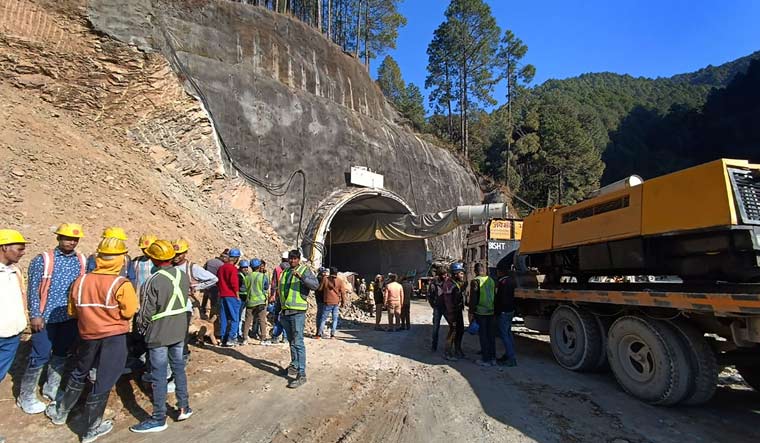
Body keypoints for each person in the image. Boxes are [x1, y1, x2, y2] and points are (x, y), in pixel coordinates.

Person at [46, 237, 138, 442]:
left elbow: (72, 311)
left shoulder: (81, 281)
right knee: (104, 380)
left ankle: (61, 413)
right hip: (113, 338)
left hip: (87, 335)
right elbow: (130, 311)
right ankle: (91, 429)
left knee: (79, 372)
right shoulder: (121, 284)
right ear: (119, 260)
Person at [17, 223, 86, 414]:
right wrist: (35, 315)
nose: (71, 242)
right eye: (67, 238)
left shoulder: (80, 260)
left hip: (69, 317)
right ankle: (26, 395)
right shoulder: (43, 260)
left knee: (61, 352)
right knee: (40, 354)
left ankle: (51, 387)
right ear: (58, 238)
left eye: (74, 239)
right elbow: (32, 289)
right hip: (45, 317)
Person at [130, 240, 192, 433]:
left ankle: (158, 417)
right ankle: (184, 407)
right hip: (179, 329)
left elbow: (146, 312)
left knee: (158, 374)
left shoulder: (153, 280)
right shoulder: (181, 275)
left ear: (154, 258)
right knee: (178, 368)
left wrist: (139, 331)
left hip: (159, 333)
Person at [0, 230, 27, 443]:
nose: (22, 252)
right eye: (19, 248)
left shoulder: (15, 271)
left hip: (11, 335)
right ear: (4, 248)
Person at [278, 250, 318, 388]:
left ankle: (302, 373)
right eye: (291, 259)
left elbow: (315, 285)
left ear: (299, 259)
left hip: (298, 312)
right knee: (291, 341)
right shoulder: (285, 272)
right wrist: (279, 311)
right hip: (286, 312)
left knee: (298, 342)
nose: (292, 261)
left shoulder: (304, 270)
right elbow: (281, 292)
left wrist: (302, 277)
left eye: (295, 259)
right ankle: (294, 365)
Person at [469, 262, 497, 367]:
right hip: (491, 311)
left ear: (475, 271)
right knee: (491, 336)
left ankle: (486, 359)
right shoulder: (490, 280)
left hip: (480, 312)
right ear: (483, 270)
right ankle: (493, 358)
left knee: (483, 336)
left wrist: (471, 313)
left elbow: (473, 299)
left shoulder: (475, 281)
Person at [216, 248, 241, 347]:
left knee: (224, 317)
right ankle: (231, 338)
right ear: (235, 258)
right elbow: (234, 283)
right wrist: (237, 296)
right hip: (231, 295)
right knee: (235, 318)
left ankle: (223, 338)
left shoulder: (221, 268)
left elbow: (217, 281)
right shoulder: (233, 268)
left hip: (222, 295)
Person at [242, 259, 270, 345]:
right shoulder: (262, 276)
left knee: (247, 320)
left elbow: (246, 287)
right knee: (262, 320)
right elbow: (265, 286)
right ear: (259, 266)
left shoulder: (247, 277)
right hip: (261, 301)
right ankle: (263, 338)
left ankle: (245, 338)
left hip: (250, 301)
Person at [495, 262, 517, 366]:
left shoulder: (502, 282)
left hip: (503, 311)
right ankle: (509, 354)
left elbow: (500, 299)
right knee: (508, 333)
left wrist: (497, 311)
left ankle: (511, 358)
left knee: (504, 335)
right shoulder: (512, 281)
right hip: (510, 310)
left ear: (501, 271)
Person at [443, 263, 466, 361]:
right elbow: (448, 302)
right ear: (455, 274)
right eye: (461, 273)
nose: (462, 275)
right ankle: (448, 352)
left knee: (460, 330)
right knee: (453, 331)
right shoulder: (450, 285)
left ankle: (457, 349)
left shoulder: (454, 283)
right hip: (452, 312)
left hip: (458, 311)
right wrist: (451, 315)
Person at [317, 267, 346, 339]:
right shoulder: (340, 281)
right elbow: (343, 293)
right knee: (335, 319)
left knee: (323, 319)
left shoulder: (325, 279)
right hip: (336, 302)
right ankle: (332, 335)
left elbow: (320, 289)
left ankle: (319, 334)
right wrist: (343, 302)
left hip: (327, 302)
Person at [201, 249, 228, 318]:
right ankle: (211, 316)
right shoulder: (221, 265)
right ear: (224, 258)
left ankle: (202, 311)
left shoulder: (210, 261)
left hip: (206, 283)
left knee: (205, 297)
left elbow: (203, 270)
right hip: (215, 285)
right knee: (214, 302)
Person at [427, 267, 449, 352]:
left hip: (447, 307)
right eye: (443, 275)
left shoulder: (448, 282)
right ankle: (434, 346)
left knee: (452, 327)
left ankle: (449, 346)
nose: (445, 276)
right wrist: (434, 305)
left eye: (446, 274)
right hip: (438, 308)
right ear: (439, 275)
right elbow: (430, 296)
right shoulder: (434, 284)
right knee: (435, 328)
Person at [237, 260, 251, 341]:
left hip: (245, 298)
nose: (246, 269)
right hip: (241, 298)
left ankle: (239, 332)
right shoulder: (239, 276)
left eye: (246, 267)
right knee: (238, 316)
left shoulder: (246, 275)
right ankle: (237, 333)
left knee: (242, 316)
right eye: (244, 268)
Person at [314, 267, 327, 337]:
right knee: (322, 316)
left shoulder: (317, 279)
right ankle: (319, 333)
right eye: (324, 272)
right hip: (322, 299)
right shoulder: (322, 279)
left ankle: (319, 331)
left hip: (318, 299)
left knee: (320, 315)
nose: (325, 273)